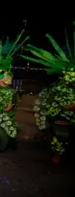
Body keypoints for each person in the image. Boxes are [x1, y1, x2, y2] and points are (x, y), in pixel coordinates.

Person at [25, 29, 75, 164]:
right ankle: (57, 153)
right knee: (62, 132)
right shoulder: (58, 88)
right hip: (61, 117)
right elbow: (55, 107)